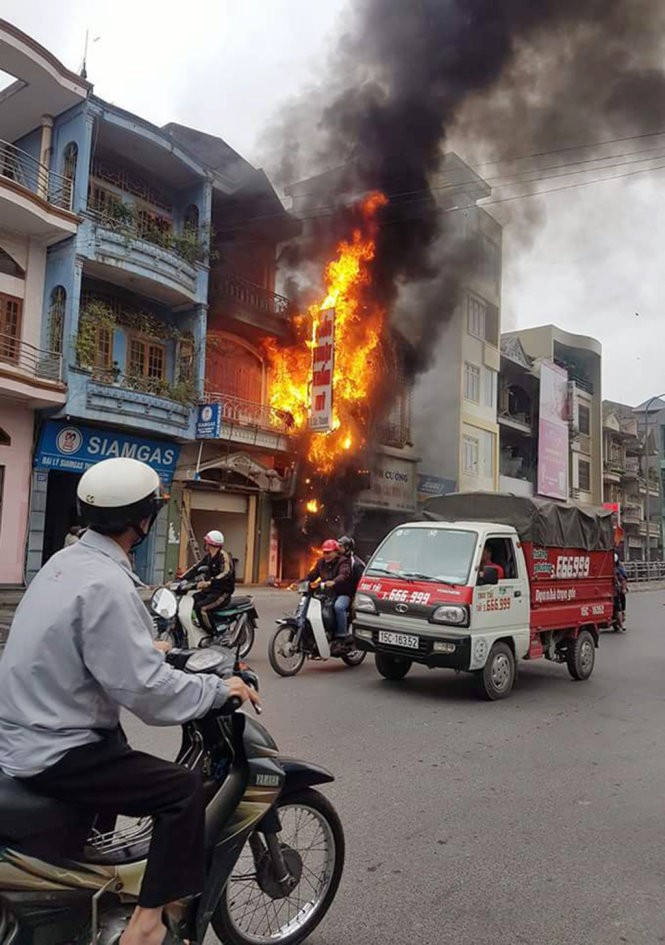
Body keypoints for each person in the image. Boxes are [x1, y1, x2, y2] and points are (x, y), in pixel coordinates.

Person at [0, 457, 259, 945]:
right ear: (143, 521)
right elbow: (149, 695)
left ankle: (85, 884)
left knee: (114, 743)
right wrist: (215, 689)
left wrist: (156, 649)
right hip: (52, 747)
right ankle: (145, 926)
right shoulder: (108, 584)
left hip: (22, 727)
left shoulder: (64, 563)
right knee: (181, 790)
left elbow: (89, 645)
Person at [182, 530, 235, 631]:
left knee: (201, 608)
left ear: (211, 544)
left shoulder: (224, 556)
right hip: (210, 591)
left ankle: (212, 633)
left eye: (206, 541)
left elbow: (226, 573)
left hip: (222, 593)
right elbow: (196, 568)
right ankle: (198, 626)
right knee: (191, 601)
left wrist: (209, 582)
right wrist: (180, 579)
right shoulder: (209, 557)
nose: (205, 544)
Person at [307, 539, 354, 649]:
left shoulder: (344, 561)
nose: (326, 555)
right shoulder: (320, 562)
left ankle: (341, 636)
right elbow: (312, 575)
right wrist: (300, 582)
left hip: (341, 593)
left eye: (329, 552)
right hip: (326, 593)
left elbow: (344, 574)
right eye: (324, 552)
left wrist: (334, 582)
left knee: (338, 607)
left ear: (336, 552)